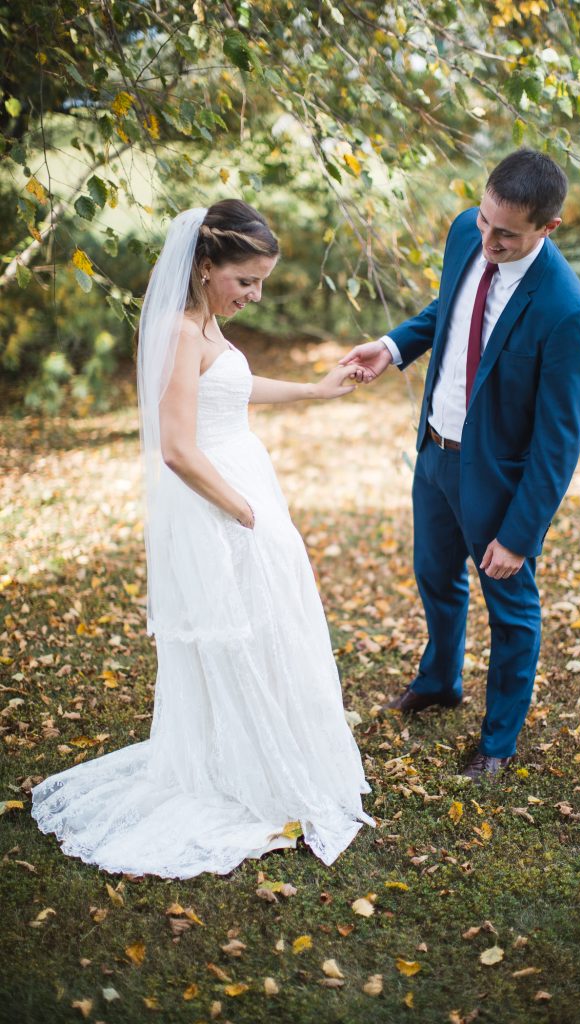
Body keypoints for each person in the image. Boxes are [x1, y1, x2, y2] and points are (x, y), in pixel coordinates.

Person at [31, 199, 374, 877]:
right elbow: (179, 451)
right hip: (218, 502)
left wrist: (315, 391)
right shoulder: (181, 332)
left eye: (262, 282)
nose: (254, 293)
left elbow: (232, 389)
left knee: (269, 628)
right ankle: (240, 772)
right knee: (240, 633)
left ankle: (264, 756)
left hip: (244, 490)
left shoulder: (207, 324)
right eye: (244, 280)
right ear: (206, 265)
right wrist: (242, 512)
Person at [340, 149, 580, 782]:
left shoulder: (567, 313)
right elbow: (448, 314)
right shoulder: (467, 231)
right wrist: (394, 345)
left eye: (506, 233)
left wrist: (519, 533)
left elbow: (558, 441)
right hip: (434, 454)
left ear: (548, 228)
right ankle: (439, 681)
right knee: (434, 573)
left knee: (510, 612)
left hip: (499, 483)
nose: (488, 239)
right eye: (484, 221)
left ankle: (498, 744)